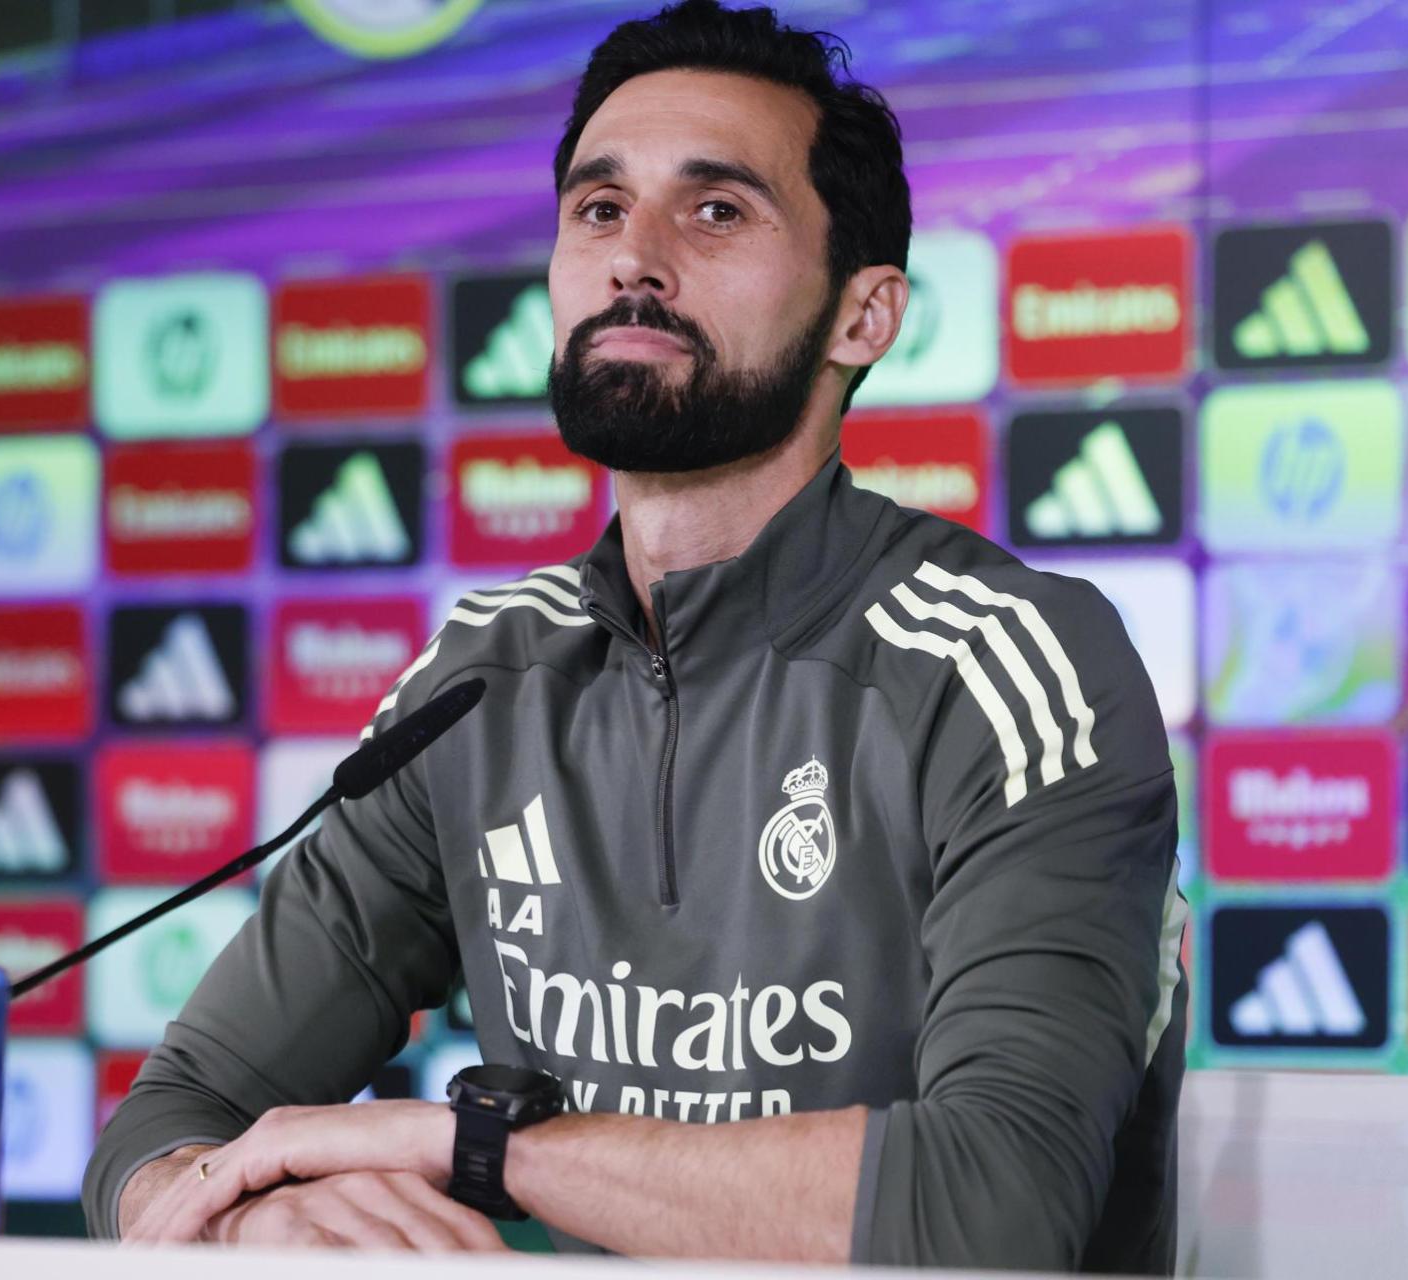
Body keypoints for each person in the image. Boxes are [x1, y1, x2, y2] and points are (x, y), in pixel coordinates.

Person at [86, 1, 1188, 1270]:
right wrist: (247, 1204)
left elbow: (991, 1208)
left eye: (715, 211)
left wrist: (479, 1148)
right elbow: (163, 1128)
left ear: (862, 316)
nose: (633, 259)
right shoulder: (480, 685)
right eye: (597, 210)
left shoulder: (1011, 663)